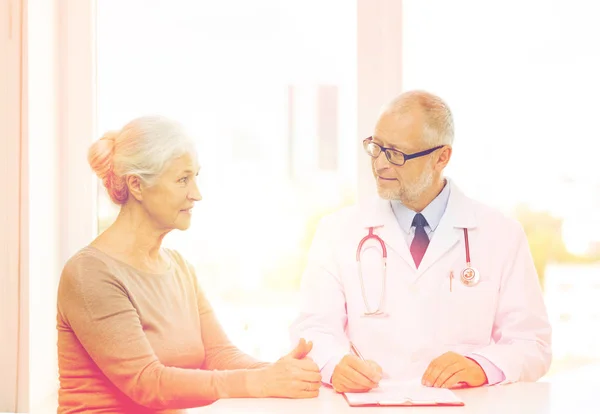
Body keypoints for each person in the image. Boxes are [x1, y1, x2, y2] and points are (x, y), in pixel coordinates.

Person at [289, 90, 552, 393]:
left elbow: (532, 344)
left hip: (464, 407)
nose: (380, 165)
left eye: (397, 154)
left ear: (442, 157)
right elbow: (313, 328)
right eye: (376, 147)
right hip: (369, 405)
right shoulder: (337, 231)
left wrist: (481, 366)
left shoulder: (501, 234)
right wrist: (333, 364)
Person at [56, 116, 321, 414]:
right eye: (183, 179)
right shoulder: (90, 274)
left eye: (195, 177)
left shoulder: (179, 267)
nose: (197, 193)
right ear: (137, 185)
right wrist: (259, 381)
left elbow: (220, 355)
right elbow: (148, 383)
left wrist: (280, 373)